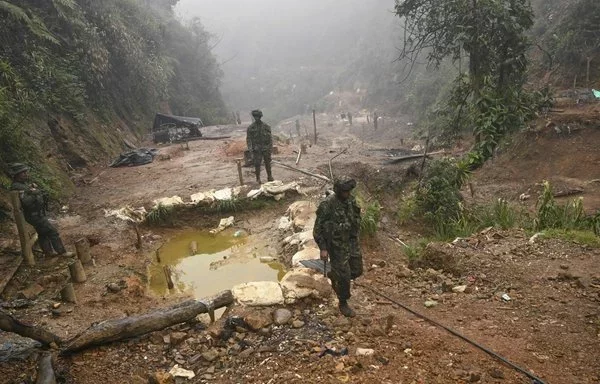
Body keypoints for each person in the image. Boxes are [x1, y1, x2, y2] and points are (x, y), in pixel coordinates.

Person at [313, 176, 363, 317]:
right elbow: (318, 229)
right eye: (345, 192)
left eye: (349, 191)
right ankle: (343, 302)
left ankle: (335, 275)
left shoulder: (351, 200)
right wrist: (323, 248)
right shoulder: (327, 205)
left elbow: (356, 218)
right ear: (338, 191)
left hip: (351, 242)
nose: (348, 194)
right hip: (336, 246)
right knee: (345, 276)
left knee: (357, 270)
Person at [8, 163, 73, 258]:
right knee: (52, 232)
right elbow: (26, 202)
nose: (26, 174)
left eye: (26, 172)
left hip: (36, 214)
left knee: (43, 233)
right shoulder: (17, 186)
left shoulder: (22, 185)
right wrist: (34, 193)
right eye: (23, 173)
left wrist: (32, 190)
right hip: (34, 215)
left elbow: (28, 194)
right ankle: (62, 252)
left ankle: (48, 253)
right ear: (17, 175)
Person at [246, 110, 274, 184]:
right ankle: (258, 179)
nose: (256, 118)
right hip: (256, 149)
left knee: (268, 163)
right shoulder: (251, 128)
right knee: (257, 164)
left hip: (265, 148)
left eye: (258, 116)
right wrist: (250, 150)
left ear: (260, 117)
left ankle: (270, 177)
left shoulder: (266, 126)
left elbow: (270, 139)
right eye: (255, 117)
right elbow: (249, 140)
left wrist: (270, 149)